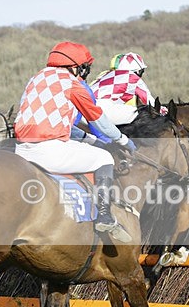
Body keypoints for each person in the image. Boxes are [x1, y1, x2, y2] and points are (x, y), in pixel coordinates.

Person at [14, 41, 137, 242]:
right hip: (49, 151)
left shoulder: (35, 79)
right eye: (84, 67)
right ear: (75, 66)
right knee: (105, 158)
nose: (84, 72)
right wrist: (123, 141)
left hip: (21, 150)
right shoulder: (73, 85)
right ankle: (104, 215)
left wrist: (89, 140)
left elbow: (59, 124)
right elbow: (101, 123)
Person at [90, 52, 156, 125]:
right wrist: (165, 111)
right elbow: (150, 102)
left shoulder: (105, 75)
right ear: (138, 71)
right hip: (100, 109)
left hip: (84, 107)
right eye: (141, 72)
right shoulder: (132, 77)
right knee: (141, 113)